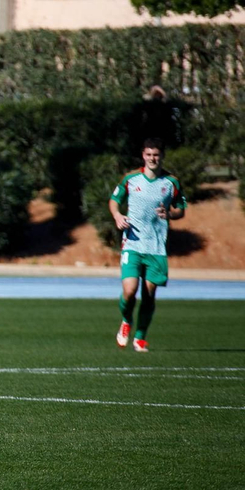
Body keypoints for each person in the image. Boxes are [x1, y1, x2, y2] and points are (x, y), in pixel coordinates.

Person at [109, 137, 187, 352]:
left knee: (149, 293)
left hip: (156, 247)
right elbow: (114, 200)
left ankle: (140, 337)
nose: (152, 158)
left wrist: (171, 213)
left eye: (156, 154)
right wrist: (117, 215)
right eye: (149, 154)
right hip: (132, 244)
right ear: (143, 155)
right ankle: (126, 321)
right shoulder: (131, 179)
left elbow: (181, 209)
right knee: (129, 290)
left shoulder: (172, 183)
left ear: (162, 156)